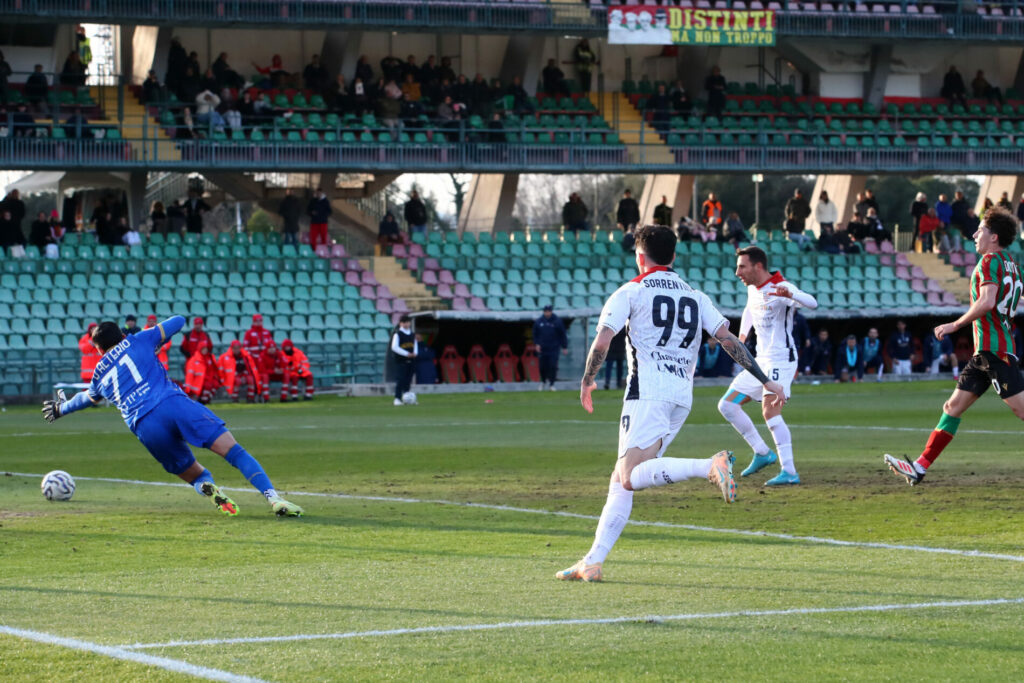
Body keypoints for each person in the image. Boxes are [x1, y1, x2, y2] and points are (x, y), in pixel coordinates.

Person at [557, 225, 786, 583]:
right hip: (681, 396)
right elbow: (728, 341)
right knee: (621, 479)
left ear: (640, 255)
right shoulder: (695, 295)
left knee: (630, 476)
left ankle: (708, 465)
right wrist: (766, 380)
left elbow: (603, 339)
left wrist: (587, 380)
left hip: (646, 392)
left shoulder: (631, 290)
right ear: (674, 256)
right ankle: (593, 561)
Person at [42, 317, 302, 517]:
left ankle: (208, 487)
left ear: (98, 350)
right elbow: (178, 320)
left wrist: (60, 409)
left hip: (144, 425)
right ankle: (273, 498)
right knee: (234, 452)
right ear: (122, 334)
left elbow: (86, 399)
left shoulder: (98, 373)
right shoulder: (138, 340)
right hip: (173, 404)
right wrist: (143, 334)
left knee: (194, 474)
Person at [885, 207, 1023, 486]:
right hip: (986, 352)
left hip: (994, 351)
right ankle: (919, 467)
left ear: (994, 237)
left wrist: (955, 325)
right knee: (952, 406)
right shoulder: (1013, 264)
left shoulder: (989, 263)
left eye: (980, 230)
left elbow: (986, 301)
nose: (975, 234)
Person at [719, 246, 817, 485]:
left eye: (742, 266)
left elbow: (812, 303)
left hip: (781, 359)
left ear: (758, 266)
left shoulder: (780, 287)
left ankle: (790, 472)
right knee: (727, 405)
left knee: (770, 412)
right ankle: (763, 453)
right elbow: (749, 310)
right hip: (760, 359)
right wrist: (741, 336)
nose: (737, 272)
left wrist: (791, 295)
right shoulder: (754, 289)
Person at [533, 305, 568, 391]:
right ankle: (543, 381)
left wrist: (564, 347)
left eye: (549, 311)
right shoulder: (539, 321)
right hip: (543, 348)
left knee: (552, 366)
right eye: (546, 311)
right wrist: (537, 344)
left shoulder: (557, 321)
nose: (547, 313)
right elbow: (535, 334)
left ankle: (552, 384)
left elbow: (562, 334)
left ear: (551, 311)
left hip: (554, 348)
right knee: (542, 367)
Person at [390, 315, 418, 406]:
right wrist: (407, 354)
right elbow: (394, 347)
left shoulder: (412, 334)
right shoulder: (397, 334)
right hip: (401, 361)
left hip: (411, 361)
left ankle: (407, 398)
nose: (406, 324)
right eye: (404, 322)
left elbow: (415, 345)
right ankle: (397, 398)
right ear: (400, 323)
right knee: (400, 379)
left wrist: (415, 353)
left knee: (408, 380)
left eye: (408, 322)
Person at [184, 339, 221, 404]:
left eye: (206, 348)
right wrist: (188, 387)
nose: (205, 350)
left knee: (216, 384)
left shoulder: (210, 357)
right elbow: (190, 374)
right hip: (200, 380)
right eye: (203, 348)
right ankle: (204, 401)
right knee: (207, 386)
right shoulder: (194, 360)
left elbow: (214, 369)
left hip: (209, 379)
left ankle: (206, 399)